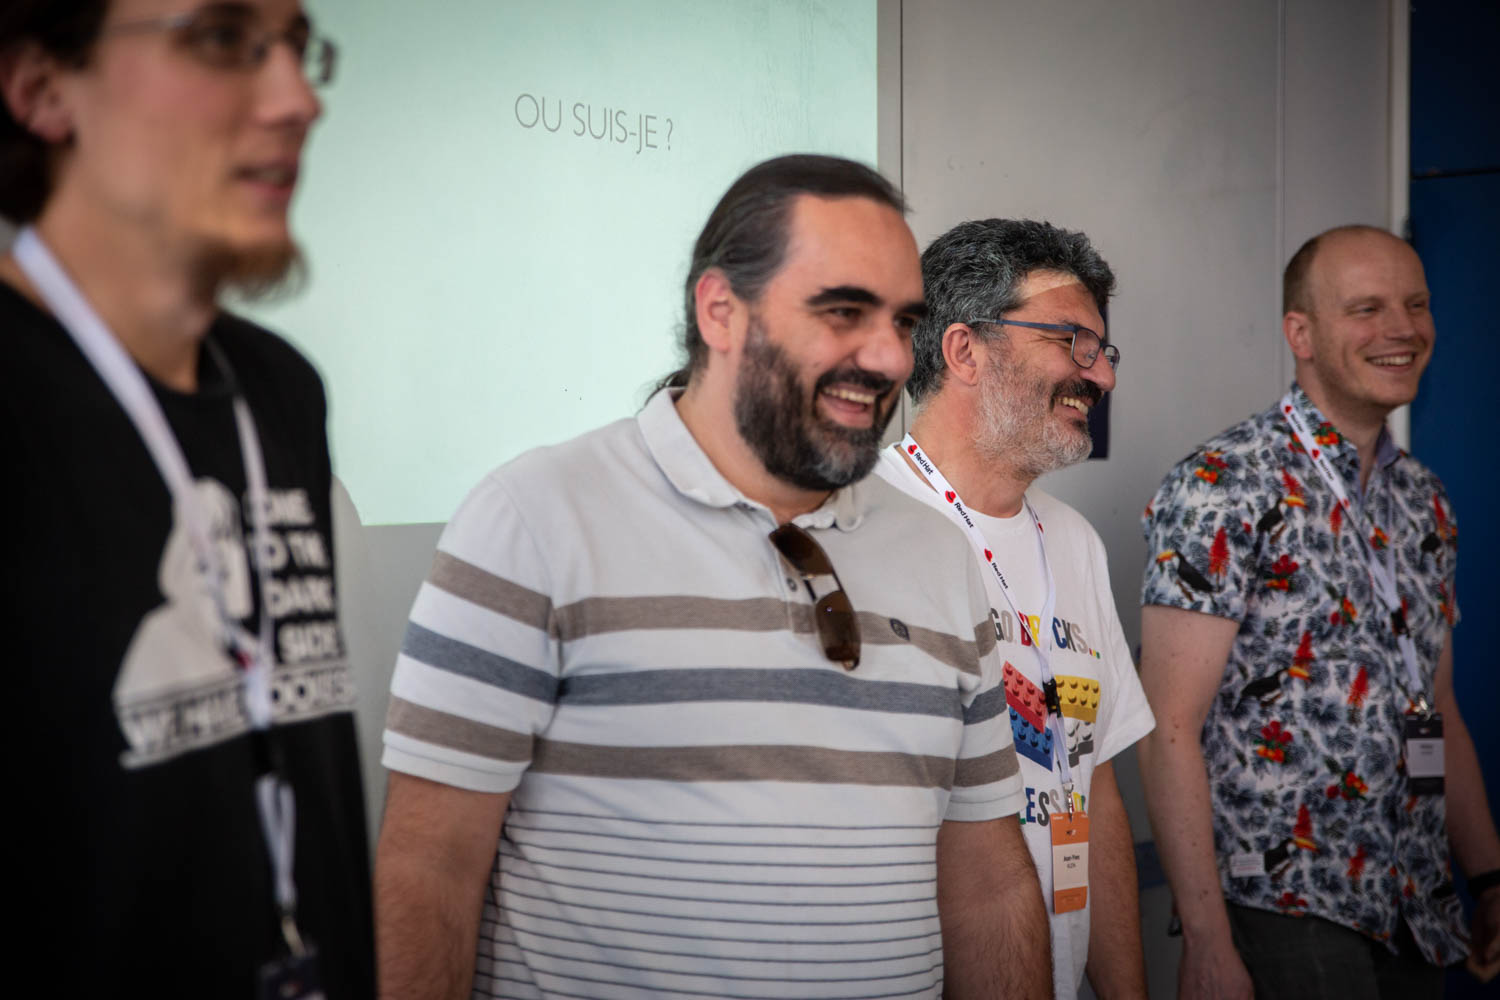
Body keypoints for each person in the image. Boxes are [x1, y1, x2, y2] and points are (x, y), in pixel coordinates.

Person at [374, 154, 1052, 999]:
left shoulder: (938, 553)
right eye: (843, 312)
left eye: (903, 321)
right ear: (720, 310)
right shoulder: (534, 518)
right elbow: (429, 869)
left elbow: (986, 881)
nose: (887, 357)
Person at [1, 2, 374, 996]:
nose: (298, 100)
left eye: (298, 47)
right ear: (40, 86)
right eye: (221, 40)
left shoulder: (279, 391)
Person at [1138, 224, 1500, 999]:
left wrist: (1489, 876)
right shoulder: (1223, 483)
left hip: (1415, 901)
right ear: (1299, 334)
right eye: (1366, 308)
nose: (1401, 328)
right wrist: (1206, 940)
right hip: (1283, 904)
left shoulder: (1425, 499)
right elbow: (1166, 728)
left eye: (1416, 304)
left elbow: (1437, 706)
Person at [876, 218, 1156, 999]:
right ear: (964, 350)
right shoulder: (863, 528)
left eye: (1102, 350)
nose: (1100, 377)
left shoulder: (1074, 542)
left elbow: (1093, 787)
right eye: (1072, 341)